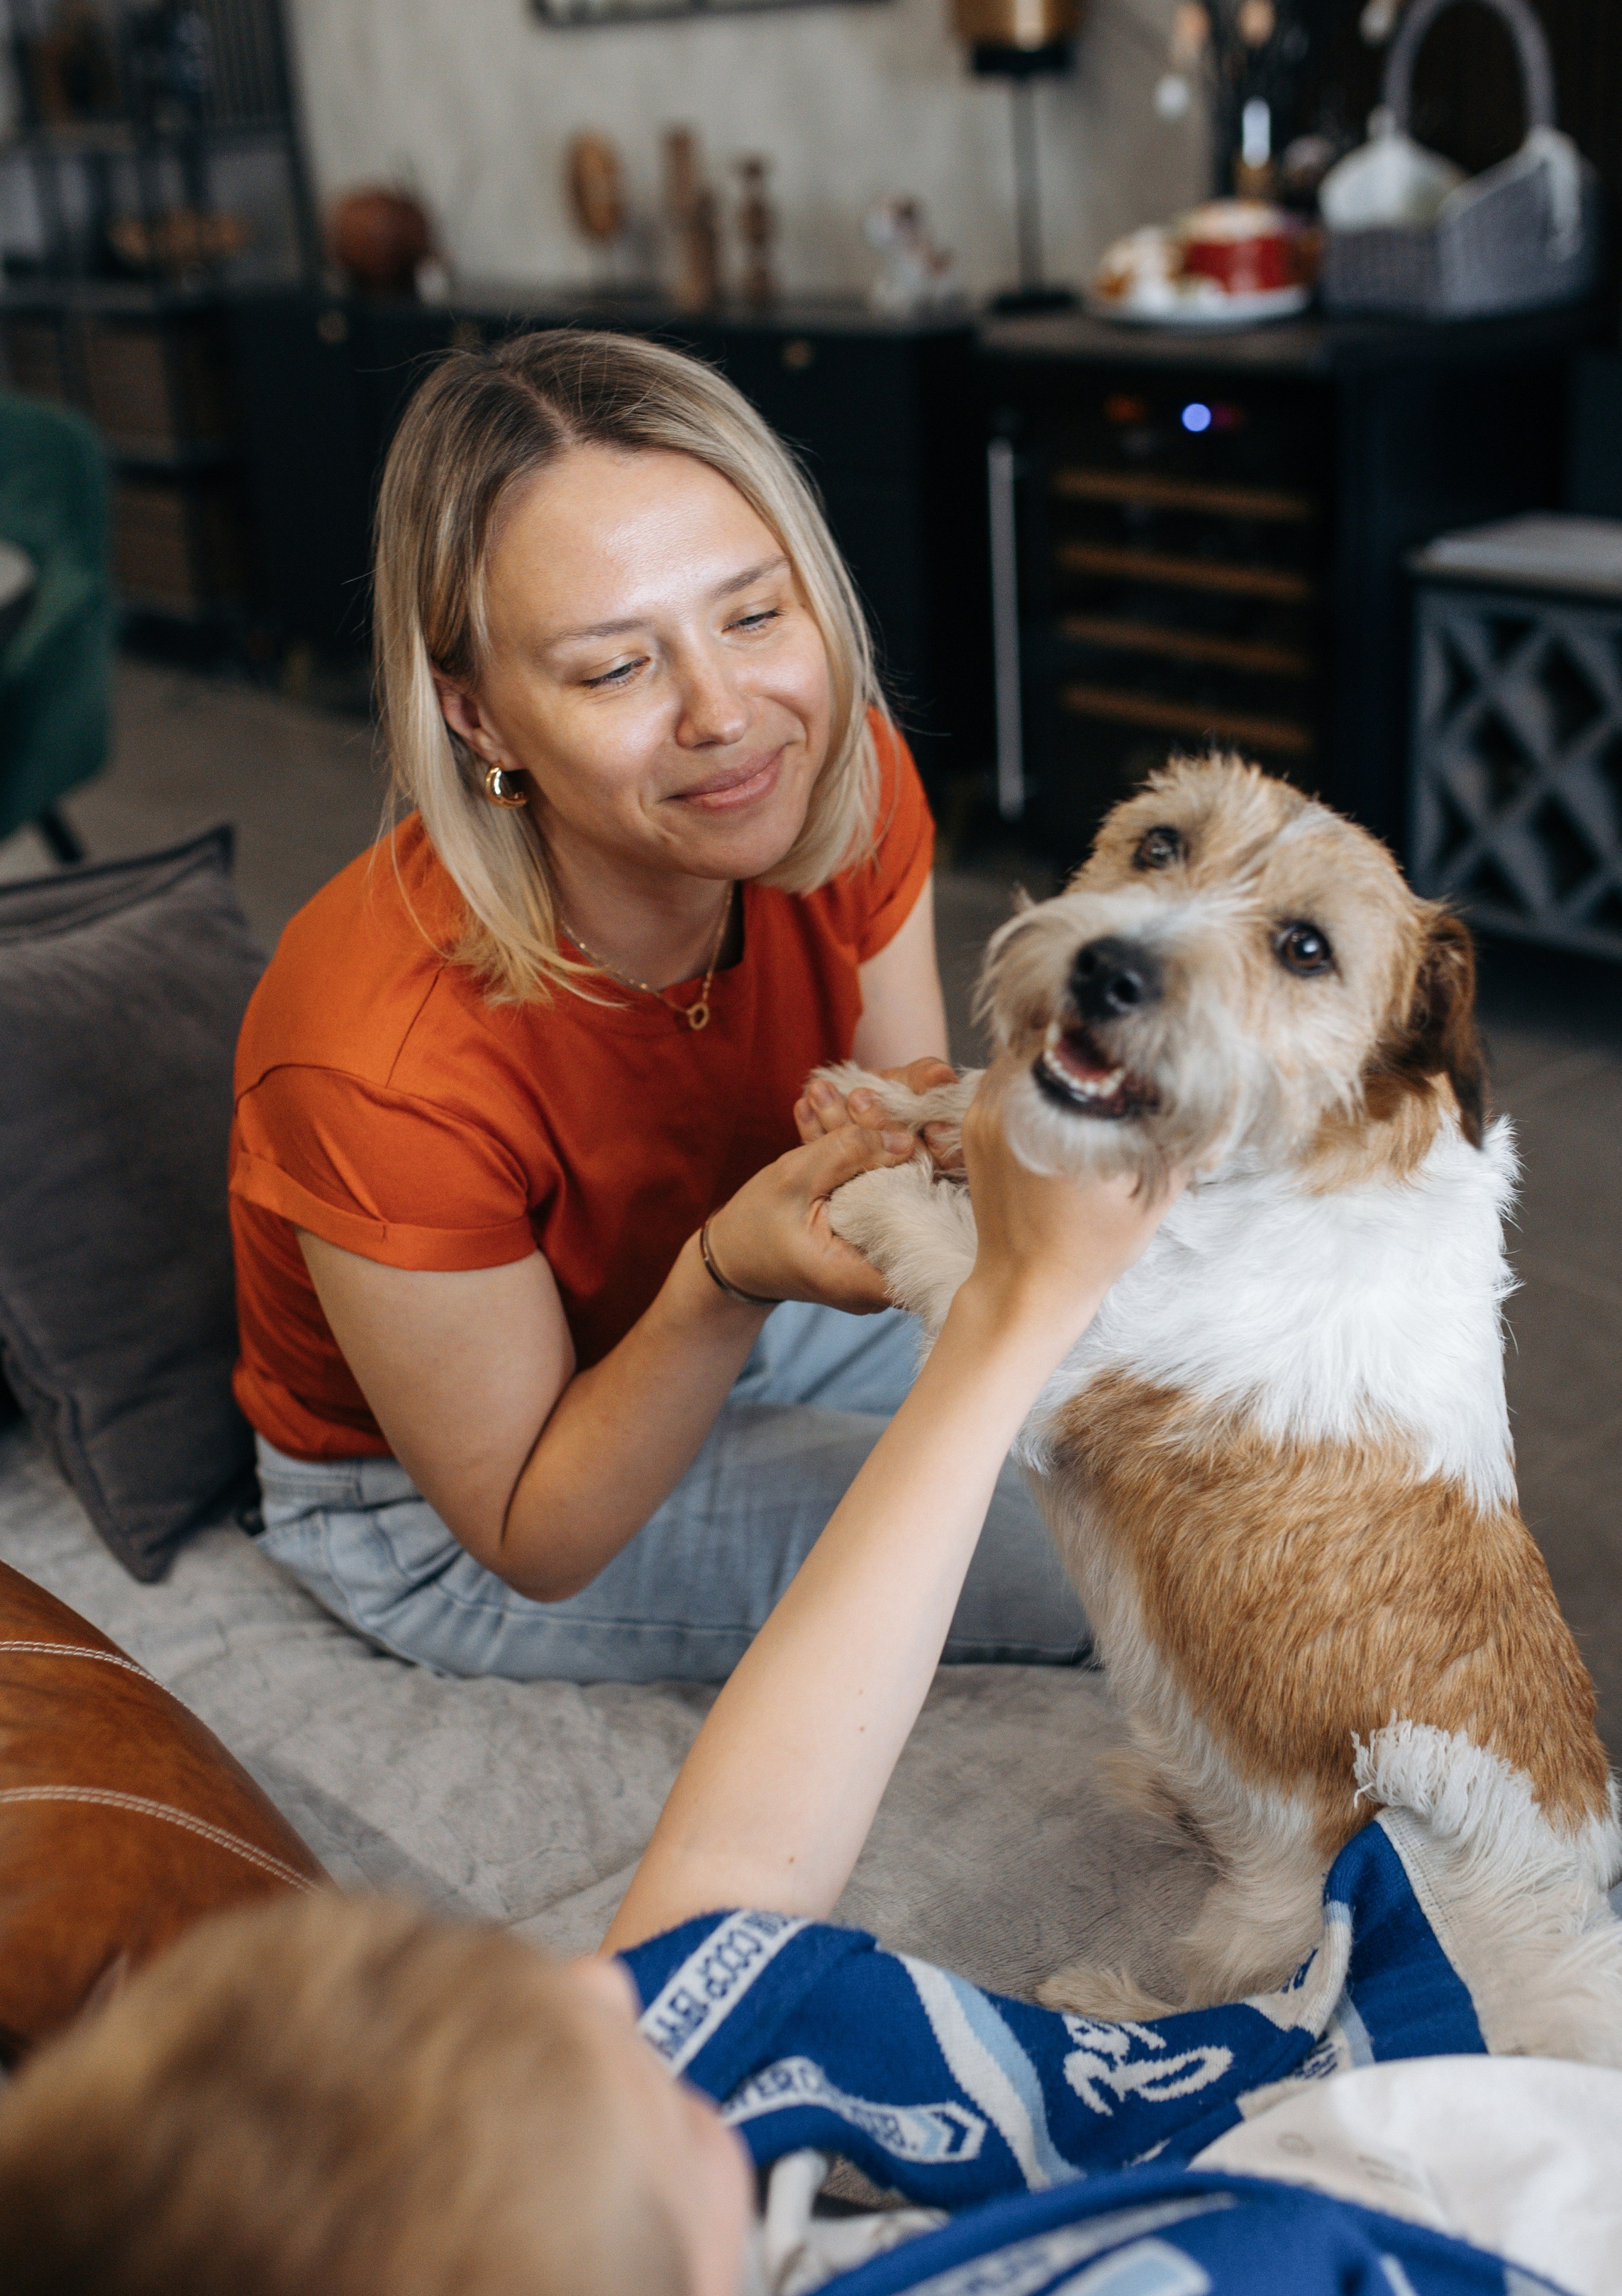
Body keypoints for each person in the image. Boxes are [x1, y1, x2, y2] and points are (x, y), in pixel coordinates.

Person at [3, 1077, 1622, 2296]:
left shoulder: (573, 2258)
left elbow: (714, 1901)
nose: (589, 1997)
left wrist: (997, 1318)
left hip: (1562, 2054)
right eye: (595, 2064)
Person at [226, 326, 1082, 1683]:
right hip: (447, 1509)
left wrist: (942, 1138)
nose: (727, 714)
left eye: (754, 613)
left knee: (1202, 1437)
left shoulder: (831, 763)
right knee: (1106, 1566)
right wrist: (731, 1278)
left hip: (725, 1319)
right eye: (617, 667)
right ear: (479, 718)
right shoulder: (373, 1056)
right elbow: (531, 1530)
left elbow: (902, 1117)